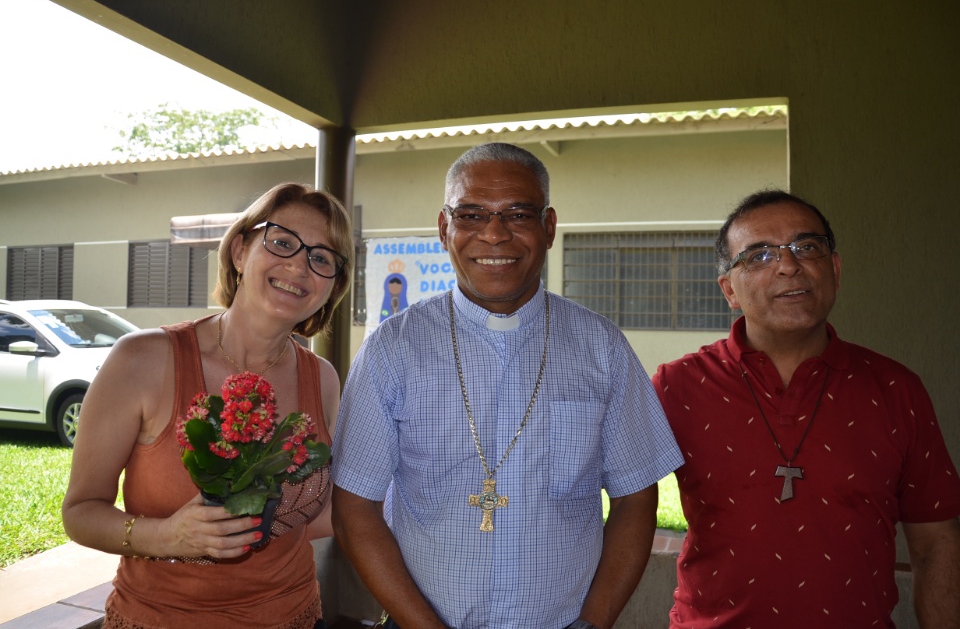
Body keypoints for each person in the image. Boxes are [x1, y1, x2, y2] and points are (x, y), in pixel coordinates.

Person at [331, 142, 683, 629]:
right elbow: (354, 509)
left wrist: (594, 621)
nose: (495, 234)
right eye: (472, 214)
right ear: (444, 229)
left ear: (549, 227)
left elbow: (635, 497)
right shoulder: (393, 349)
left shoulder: (601, 347)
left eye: (517, 214)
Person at [652, 189, 960, 627]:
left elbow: (937, 545)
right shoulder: (677, 385)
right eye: (759, 255)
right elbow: (624, 506)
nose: (788, 265)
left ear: (834, 269)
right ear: (729, 290)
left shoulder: (896, 389)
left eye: (806, 247)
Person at [61, 183, 353, 629]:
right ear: (240, 250)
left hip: (294, 616)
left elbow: (311, 518)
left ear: (332, 286)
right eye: (281, 242)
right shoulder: (142, 360)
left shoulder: (324, 380)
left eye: (321, 258)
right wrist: (168, 536)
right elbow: (80, 513)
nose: (298, 265)